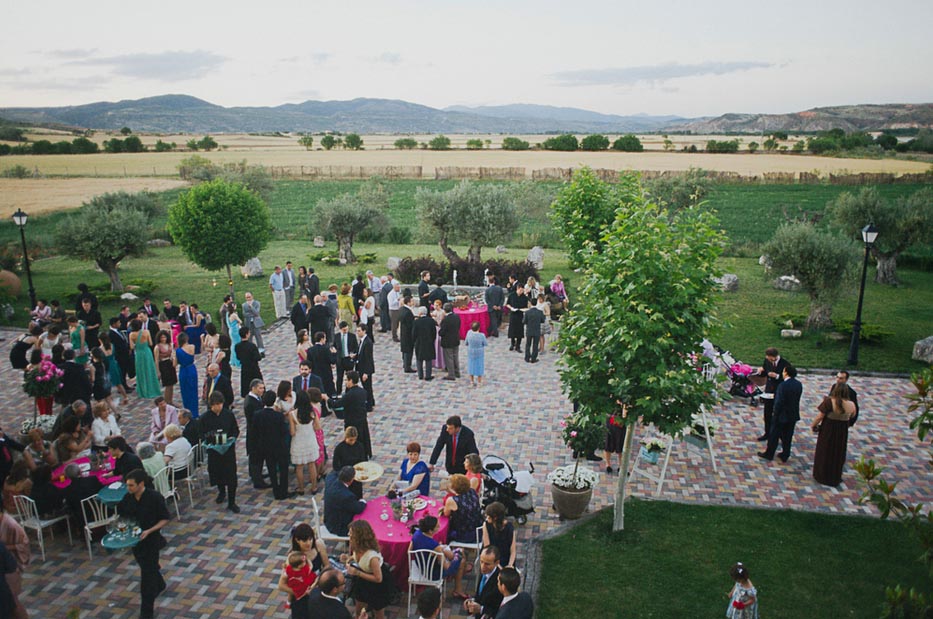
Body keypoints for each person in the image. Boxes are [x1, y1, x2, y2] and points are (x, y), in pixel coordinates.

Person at [117, 469, 171, 619]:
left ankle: (146, 612)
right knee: (148, 568)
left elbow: (165, 518)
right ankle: (160, 583)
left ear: (141, 484)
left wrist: (149, 531)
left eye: (131, 485)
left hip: (152, 541)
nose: (129, 488)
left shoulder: (154, 497)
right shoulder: (128, 498)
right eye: (127, 485)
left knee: (146, 577)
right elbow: (122, 514)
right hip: (136, 542)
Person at [340, 520, 391, 619]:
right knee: (358, 608)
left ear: (359, 538)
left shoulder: (372, 557)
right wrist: (348, 558)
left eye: (351, 534)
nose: (348, 535)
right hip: (363, 580)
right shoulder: (355, 545)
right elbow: (356, 557)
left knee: (378, 612)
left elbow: (378, 578)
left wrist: (357, 572)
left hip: (378, 585)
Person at [200, 391, 241, 513]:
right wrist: (209, 442)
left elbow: (235, 430)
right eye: (216, 404)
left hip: (228, 451)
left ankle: (232, 501)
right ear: (211, 405)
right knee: (218, 474)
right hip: (214, 452)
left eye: (220, 404)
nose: (218, 407)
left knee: (231, 475)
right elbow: (202, 434)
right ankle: (221, 492)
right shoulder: (205, 418)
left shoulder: (228, 415)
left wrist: (231, 439)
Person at [409, 515, 467, 598]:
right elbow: (446, 566)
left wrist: (440, 550)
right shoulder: (434, 546)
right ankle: (458, 588)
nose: (439, 527)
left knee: (457, 556)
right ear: (430, 531)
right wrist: (443, 551)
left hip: (421, 566)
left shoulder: (416, 534)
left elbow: (409, 550)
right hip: (433, 574)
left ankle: (458, 574)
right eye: (437, 526)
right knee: (461, 556)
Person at [811, 382, 857, 486]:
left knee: (825, 451)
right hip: (842, 432)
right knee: (838, 453)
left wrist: (813, 425)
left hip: (828, 430)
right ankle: (835, 476)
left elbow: (820, 416)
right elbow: (852, 416)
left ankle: (822, 475)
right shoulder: (851, 405)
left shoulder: (829, 402)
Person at [254, 390, 295, 501]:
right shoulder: (278, 416)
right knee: (283, 469)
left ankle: (276, 490)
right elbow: (283, 431)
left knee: (271, 469)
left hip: (266, 447)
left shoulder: (257, 415)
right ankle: (283, 491)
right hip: (279, 446)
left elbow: (256, 431)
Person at [758, 364, 802, 463]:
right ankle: (785, 454)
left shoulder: (783, 385)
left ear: (786, 373)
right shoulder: (798, 384)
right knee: (788, 436)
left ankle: (769, 453)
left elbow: (779, 402)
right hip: (792, 414)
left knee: (774, 435)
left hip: (781, 415)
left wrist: (775, 413)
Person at [331, 371, 372, 459]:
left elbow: (337, 404)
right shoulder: (363, 392)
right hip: (362, 420)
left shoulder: (349, 395)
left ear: (351, 381)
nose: (345, 382)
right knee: (363, 439)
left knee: (353, 440)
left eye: (346, 380)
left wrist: (327, 399)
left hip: (352, 421)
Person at [290, 390, 321, 495]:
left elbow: (293, 432)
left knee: (299, 467)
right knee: (311, 464)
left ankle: (301, 488)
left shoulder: (292, 414)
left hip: (298, 442)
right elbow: (318, 427)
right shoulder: (312, 412)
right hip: (310, 440)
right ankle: (314, 487)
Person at [756, 347, 790, 441]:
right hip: (769, 391)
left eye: (769, 357)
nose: (767, 359)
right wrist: (760, 372)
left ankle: (779, 434)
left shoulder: (785, 364)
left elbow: (788, 378)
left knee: (778, 413)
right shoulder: (767, 361)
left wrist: (777, 376)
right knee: (767, 412)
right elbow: (765, 373)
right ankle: (767, 433)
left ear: (774, 357)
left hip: (779, 391)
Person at [323, 466, 366, 537]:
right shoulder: (346, 496)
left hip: (329, 520)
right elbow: (359, 508)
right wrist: (362, 501)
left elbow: (333, 473)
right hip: (339, 527)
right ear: (351, 480)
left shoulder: (330, 479)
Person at [464, 545, 504, 619]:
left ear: (496, 563)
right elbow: (480, 596)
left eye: (487, 564)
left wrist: (481, 609)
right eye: (481, 562)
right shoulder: (484, 572)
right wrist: (471, 602)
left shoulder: (500, 582)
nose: (482, 566)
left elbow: (499, 610)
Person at [444, 473, 483, 545]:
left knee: (445, 532)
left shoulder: (452, 500)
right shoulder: (472, 491)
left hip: (463, 534)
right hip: (478, 531)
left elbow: (446, 514)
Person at [279, 550, 316, 619]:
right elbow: (311, 566)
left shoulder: (289, 569)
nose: (305, 563)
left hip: (293, 585)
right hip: (303, 586)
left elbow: (285, 573)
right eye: (304, 562)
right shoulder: (304, 570)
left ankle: (288, 602)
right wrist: (307, 559)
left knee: (291, 594)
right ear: (299, 565)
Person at [130, 319, 161, 399]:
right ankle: (152, 387)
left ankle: (143, 389)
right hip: (147, 352)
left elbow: (131, 347)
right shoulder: (146, 332)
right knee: (149, 369)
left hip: (139, 354)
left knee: (141, 371)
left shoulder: (131, 334)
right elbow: (150, 343)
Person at [332, 426, 366, 498]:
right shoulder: (339, 448)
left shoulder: (359, 446)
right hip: (345, 478)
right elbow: (335, 465)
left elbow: (363, 461)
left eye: (354, 440)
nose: (353, 442)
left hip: (356, 476)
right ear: (346, 437)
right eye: (350, 440)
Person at [482, 502, 516, 568]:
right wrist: (497, 565)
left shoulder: (510, 528)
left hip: (505, 557)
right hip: (490, 557)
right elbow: (487, 547)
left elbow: (513, 550)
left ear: (495, 518)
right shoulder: (486, 525)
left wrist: (510, 565)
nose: (486, 518)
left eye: (488, 517)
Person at [235, 326, 264, 398]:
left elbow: (238, 357)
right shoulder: (252, 346)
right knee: (257, 381)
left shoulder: (237, 346)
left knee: (245, 383)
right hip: (253, 368)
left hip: (244, 368)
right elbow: (257, 357)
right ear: (247, 334)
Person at [175, 332, 199, 419]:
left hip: (183, 370)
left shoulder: (178, 350)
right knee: (193, 390)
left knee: (185, 391)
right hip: (191, 369)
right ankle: (195, 412)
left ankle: (187, 410)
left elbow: (175, 364)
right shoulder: (192, 347)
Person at [308, 331, 337, 397]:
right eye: (325, 338)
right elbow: (332, 361)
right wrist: (334, 353)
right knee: (329, 391)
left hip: (315, 373)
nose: (325, 340)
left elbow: (309, 363)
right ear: (322, 339)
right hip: (326, 373)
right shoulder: (326, 349)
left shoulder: (310, 350)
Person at [413, 306, 437, 381]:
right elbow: (434, 332)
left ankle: (420, 375)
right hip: (429, 342)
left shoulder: (416, 322)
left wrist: (415, 341)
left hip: (419, 342)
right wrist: (432, 340)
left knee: (419, 359)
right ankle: (428, 375)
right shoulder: (431, 321)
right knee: (428, 359)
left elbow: (414, 333)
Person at [439, 302, 462, 381]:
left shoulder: (445, 320)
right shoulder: (457, 317)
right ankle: (457, 372)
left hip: (448, 341)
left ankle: (451, 374)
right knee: (455, 356)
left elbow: (441, 332)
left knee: (449, 358)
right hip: (455, 339)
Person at [334, 322, 358, 394]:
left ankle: (349, 392)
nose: (346, 331)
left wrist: (353, 354)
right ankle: (338, 392)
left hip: (349, 359)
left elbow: (356, 347)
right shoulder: (336, 336)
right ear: (340, 329)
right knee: (339, 378)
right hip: (340, 360)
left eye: (347, 329)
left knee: (350, 377)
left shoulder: (352, 336)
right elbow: (334, 346)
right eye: (344, 330)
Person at [355, 324, 375, 411]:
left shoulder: (367, 342)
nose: (358, 333)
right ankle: (371, 401)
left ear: (364, 331)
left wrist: (366, 373)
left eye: (359, 331)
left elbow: (368, 359)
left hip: (365, 369)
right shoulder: (362, 341)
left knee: (367, 387)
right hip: (361, 367)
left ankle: (369, 405)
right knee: (366, 386)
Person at [154, 330, 177, 406]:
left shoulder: (169, 345)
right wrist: (158, 371)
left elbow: (173, 354)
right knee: (167, 384)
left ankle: (170, 400)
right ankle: (166, 401)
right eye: (162, 337)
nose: (163, 339)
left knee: (172, 384)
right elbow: (156, 360)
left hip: (170, 364)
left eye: (164, 337)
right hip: (163, 365)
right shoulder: (157, 347)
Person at [604, 403, 627, 474]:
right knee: (608, 441)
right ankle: (607, 464)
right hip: (611, 418)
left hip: (622, 421)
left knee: (622, 444)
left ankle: (621, 466)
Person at [505, 285, 528, 353]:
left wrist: (521, 309)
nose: (521, 292)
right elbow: (507, 304)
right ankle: (512, 343)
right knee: (512, 330)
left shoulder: (524, 297)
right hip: (513, 314)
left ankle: (518, 345)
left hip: (520, 315)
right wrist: (511, 308)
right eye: (520, 290)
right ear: (517, 289)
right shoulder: (512, 295)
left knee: (519, 330)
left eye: (522, 290)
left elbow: (526, 307)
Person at [522, 297, 544, 363]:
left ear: (530, 303)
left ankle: (527, 357)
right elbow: (542, 320)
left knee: (528, 344)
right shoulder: (540, 312)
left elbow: (524, 321)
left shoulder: (527, 312)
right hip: (537, 330)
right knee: (535, 345)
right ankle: (533, 358)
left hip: (529, 330)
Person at [465, 321, 487, 387]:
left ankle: (471, 381)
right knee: (479, 366)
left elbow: (466, 342)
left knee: (471, 366)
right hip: (479, 352)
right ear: (479, 328)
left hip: (471, 352)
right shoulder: (481, 335)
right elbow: (485, 343)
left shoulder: (469, 333)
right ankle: (479, 382)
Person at [399, 296, 416, 373]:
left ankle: (405, 363)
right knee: (408, 350)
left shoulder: (402, 309)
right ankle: (407, 366)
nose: (413, 302)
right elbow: (410, 324)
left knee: (405, 350)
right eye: (412, 301)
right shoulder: (408, 312)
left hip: (403, 332)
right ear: (408, 302)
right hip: (408, 334)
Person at [226, 302, 242, 368]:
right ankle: (237, 361)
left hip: (231, 330)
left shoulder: (227, 314)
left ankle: (233, 360)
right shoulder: (234, 315)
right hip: (235, 330)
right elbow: (240, 321)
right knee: (237, 344)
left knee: (233, 344)